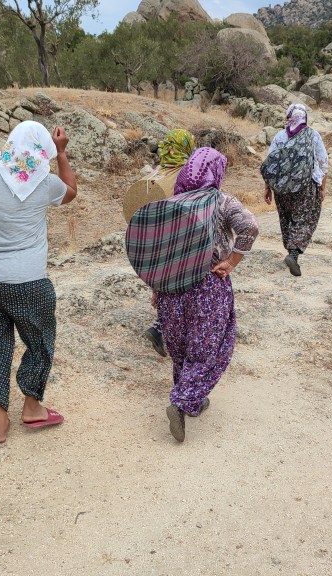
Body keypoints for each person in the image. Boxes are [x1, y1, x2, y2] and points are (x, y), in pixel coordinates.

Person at [127, 147, 259, 442]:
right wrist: (232, 261)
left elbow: (158, 255)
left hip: (170, 290)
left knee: (180, 349)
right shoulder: (222, 201)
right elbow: (250, 226)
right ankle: (182, 402)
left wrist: (156, 289)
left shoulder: (169, 204)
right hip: (208, 287)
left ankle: (192, 401)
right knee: (211, 349)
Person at [0, 121, 77, 445]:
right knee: (39, 341)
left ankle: (0, 422)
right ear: (42, 150)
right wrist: (62, 153)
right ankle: (33, 407)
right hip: (28, 281)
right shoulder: (45, 182)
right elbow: (71, 192)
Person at [143, 129, 197, 357]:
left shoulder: (159, 170)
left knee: (165, 285)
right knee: (183, 288)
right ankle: (160, 329)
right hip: (181, 238)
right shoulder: (190, 171)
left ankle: (159, 328)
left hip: (156, 238)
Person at [261, 102, 329, 277]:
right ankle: (293, 254)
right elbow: (323, 162)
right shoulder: (313, 135)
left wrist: (267, 188)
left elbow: (270, 164)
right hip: (306, 186)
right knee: (304, 219)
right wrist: (322, 187)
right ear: (305, 117)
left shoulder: (280, 136)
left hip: (281, 188)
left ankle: (290, 250)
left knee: (287, 218)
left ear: (289, 116)